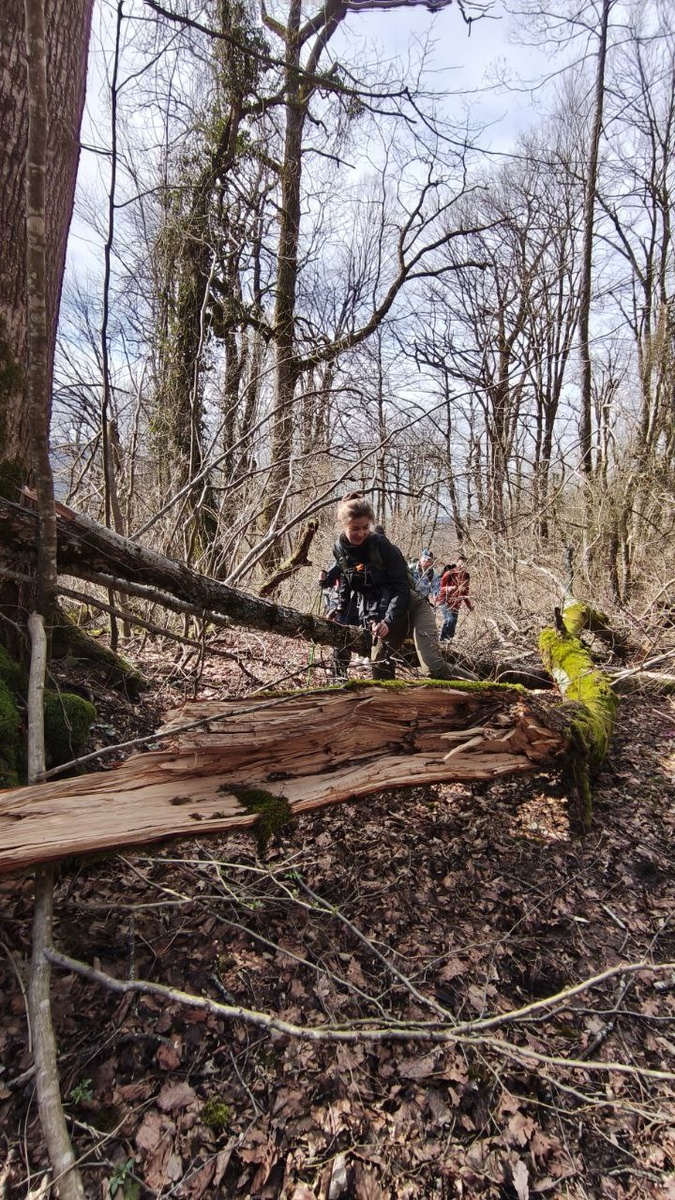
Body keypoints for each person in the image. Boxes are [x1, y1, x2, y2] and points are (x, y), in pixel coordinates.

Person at [331, 492, 467, 682]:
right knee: (380, 671)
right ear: (344, 525)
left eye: (365, 527)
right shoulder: (339, 549)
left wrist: (388, 620)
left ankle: (485, 688)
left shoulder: (380, 545)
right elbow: (347, 578)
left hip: (411, 606)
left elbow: (401, 587)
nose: (361, 534)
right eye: (355, 528)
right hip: (382, 613)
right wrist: (339, 608)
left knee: (433, 668)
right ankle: (391, 702)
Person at [437, 554, 474, 642]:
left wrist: (469, 606)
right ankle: (443, 640)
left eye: (464, 564)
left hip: (456, 603)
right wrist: (449, 589)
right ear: (457, 563)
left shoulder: (466, 576)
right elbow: (440, 588)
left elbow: (465, 593)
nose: (462, 565)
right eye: (461, 563)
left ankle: (448, 641)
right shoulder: (449, 573)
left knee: (453, 623)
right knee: (450, 620)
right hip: (445, 601)